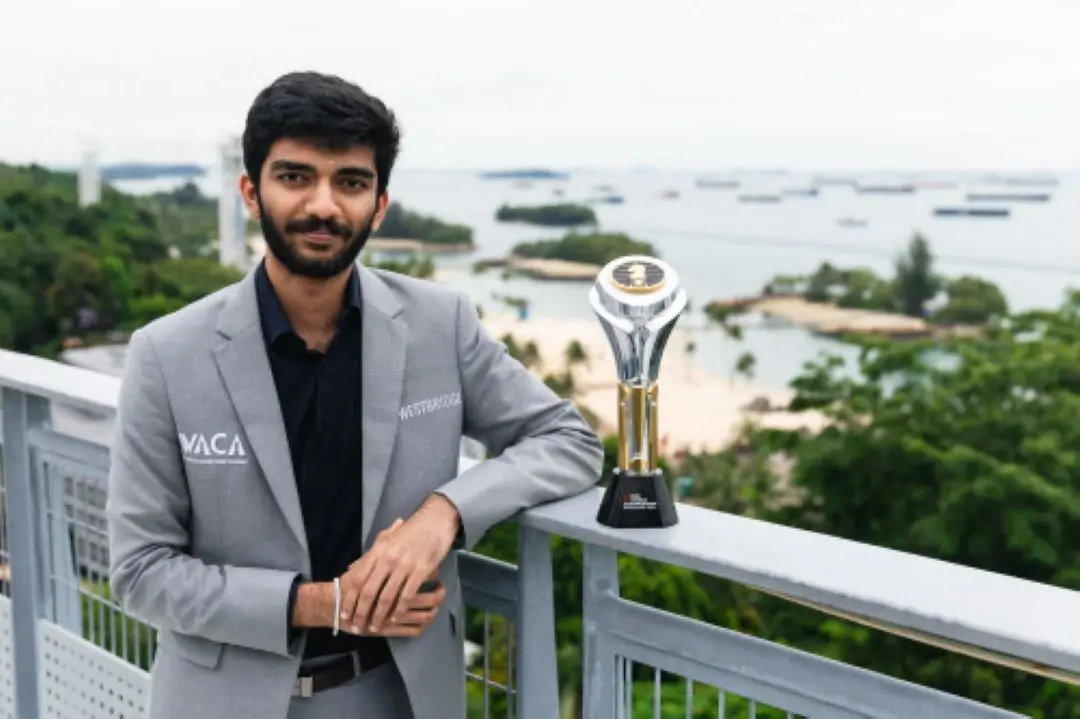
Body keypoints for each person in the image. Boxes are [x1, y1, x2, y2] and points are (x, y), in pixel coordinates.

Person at [106, 71, 604, 719]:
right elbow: (140, 571)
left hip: (397, 693)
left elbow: (569, 440)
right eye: (295, 177)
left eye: (350, 181)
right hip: (221, 700)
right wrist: (319, 603)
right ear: (251, 193)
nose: (323, 204)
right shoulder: (166, 354)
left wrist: (442, 516)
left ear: (380, 203)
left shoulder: (439, 323)